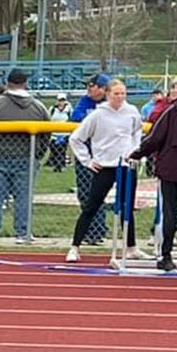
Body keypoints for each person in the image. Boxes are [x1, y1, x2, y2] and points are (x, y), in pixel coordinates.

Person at [65, 78, 143, 263]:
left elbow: (137, 132)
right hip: (104, 166)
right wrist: (88, 161)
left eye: (123, 93)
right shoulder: (97, 115)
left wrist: (135, 152)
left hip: (125, 166)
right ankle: (75, 246)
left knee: (127, 208)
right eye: (116, 93)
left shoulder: (132, 111)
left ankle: (131, 247)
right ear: (108, 94)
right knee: (91, 206)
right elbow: (76, 138)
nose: (120, 97)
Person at [0, 67, 48, 243]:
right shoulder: (38, 107)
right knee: (23, 197)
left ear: (7, 83)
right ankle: (23, 233)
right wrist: (37, 153)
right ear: (26, 84)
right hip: (26, 156)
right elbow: (47, 134)